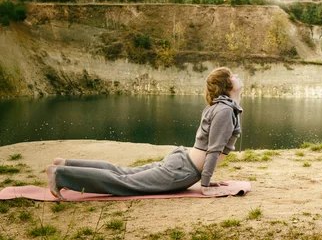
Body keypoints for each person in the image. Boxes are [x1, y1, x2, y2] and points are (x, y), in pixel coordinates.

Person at [46, 67, 244, 199]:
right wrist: (206, 185)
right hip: (182, 171)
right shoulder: (225, 110)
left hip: (183, 162)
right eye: (233, 75)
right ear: (227, 85)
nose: (237, 76)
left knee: (122, 173)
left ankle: (66, 165)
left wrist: (207, 178)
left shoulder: (224, 107)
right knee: (123, 182)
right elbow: (214, 151)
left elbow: (211, 150)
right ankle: (60, 175)